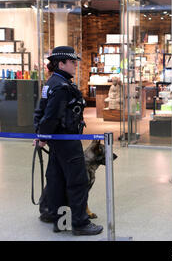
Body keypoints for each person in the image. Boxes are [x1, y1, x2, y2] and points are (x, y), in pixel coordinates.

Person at [33, 46, 103, 235]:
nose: (75, 66)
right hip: (67, 140)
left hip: (58, 141)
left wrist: (41, 134)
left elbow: (40, 112)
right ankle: (80, 223)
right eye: (72, 62)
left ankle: (58, 219)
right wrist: (42, 136)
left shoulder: (52, 83)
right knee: (77, 181)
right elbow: (51, 116)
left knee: (56, 179)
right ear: (60, 63)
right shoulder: (62, 87)